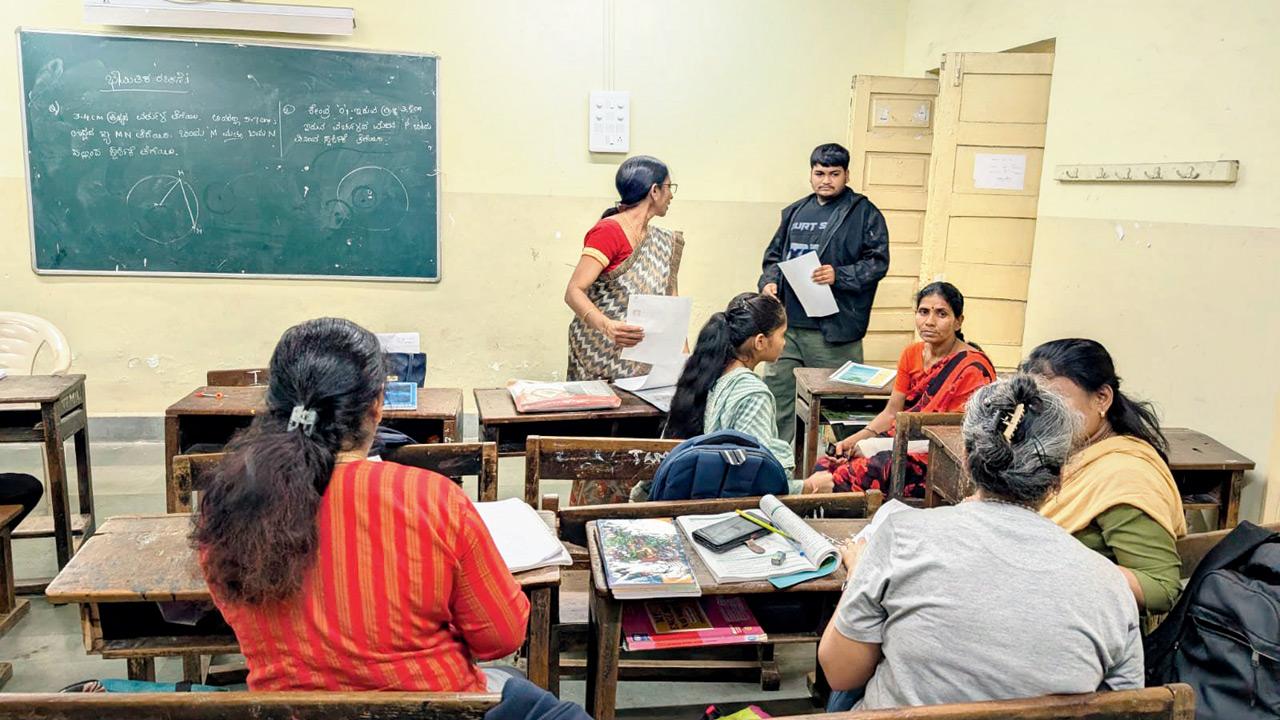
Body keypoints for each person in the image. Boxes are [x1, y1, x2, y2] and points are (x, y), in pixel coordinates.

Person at [193, 318, 529, 692]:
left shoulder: (228, 504)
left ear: (275, 405)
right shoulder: (434, 499)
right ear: (377, 405)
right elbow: (501, 638)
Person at [818, 375, 1143, 711]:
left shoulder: (901, 537)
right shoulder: (1110, 585)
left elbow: (840, 673)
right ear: (1060, 477)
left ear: (968, 459)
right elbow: (1125, 707)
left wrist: (858, 575)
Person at [1022, 339, 1187, 615]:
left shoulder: (1126, 476)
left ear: (1102, 398)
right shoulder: (1070, 452)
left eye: (1058, 400)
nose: (1044, 414)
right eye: (1038, 403)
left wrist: (1054, 564)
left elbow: (1161, 588)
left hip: (1088, 626)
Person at [629, 293, 828, 501]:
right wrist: (808, 486)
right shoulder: (752, 394)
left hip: (683, 500)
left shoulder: (703, 373)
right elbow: (753, 482)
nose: (784, 343)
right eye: (782, 335)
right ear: (760, 341)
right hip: (715, 512)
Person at [759, 143, 889, 443]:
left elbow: (878, 262)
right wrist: (769, 281)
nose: (826, 180)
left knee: (841, 407)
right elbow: (774, 257)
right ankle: (780, 464)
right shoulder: (794, 211)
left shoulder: (863, 213)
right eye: (820, 173)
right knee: (779, 400)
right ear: (811, 174)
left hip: (833, 331)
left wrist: (839, 275)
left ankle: (844, 471)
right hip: (787, 328)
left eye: (834, 173)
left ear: (846, 175)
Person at [819, 282, 995, 496]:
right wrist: (854, 440)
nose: (929, 322)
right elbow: (891, 413)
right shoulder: (911, 354)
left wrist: (876, 447)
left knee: (850, 475)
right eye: (923, 312)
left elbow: (959, 436)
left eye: (941, 314)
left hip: (939, 455)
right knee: (826, 464)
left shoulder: (973, 368)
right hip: (898, 440)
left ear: (958, 322)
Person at [564, 155, 683, 381]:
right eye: (669, 187)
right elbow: (573, 292)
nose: (671, 194)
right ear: (654, 191)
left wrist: (681, 364)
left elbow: (672, 308)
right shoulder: (609, 231)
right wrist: (607, 327)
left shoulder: (664, 242)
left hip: (644, 365)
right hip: (597, 356)